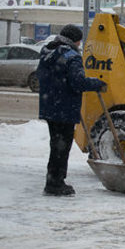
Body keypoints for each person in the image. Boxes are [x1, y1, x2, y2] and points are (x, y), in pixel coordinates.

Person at [37, 24, 106, 196]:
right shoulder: (71, 56)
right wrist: (97, 83)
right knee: (62, 147)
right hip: (65, 108)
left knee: (56, 145)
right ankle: (55, 183)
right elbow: (78, 82)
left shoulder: (47, 52)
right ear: (75, 40)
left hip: (51, 106)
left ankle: (53, 180)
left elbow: (42, 77)